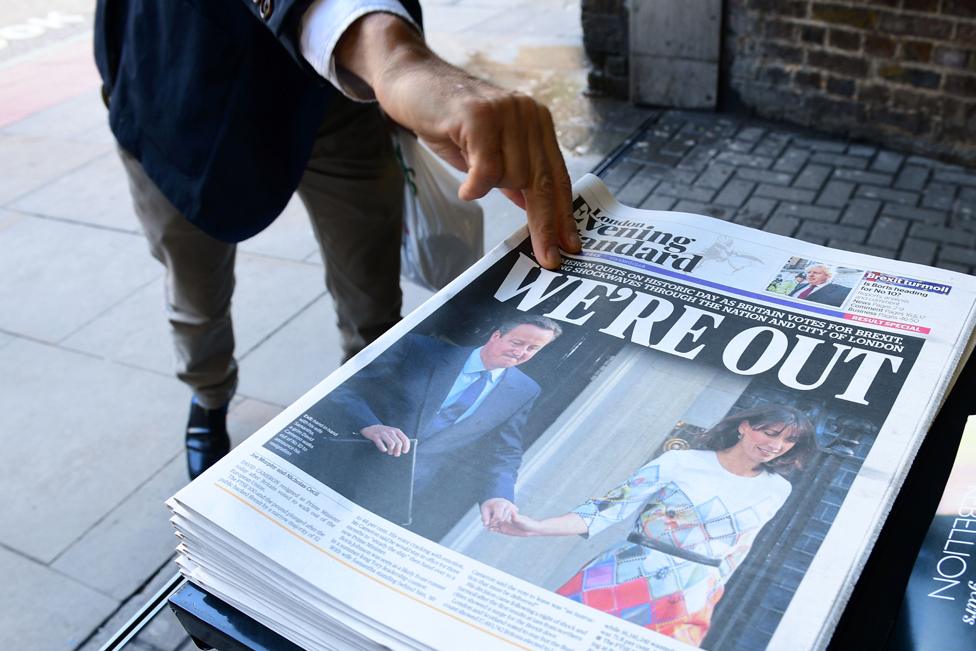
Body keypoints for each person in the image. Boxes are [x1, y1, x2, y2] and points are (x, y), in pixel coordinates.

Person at [94, 0, 580, 479]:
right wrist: (395, 58)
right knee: (195, 287)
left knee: (371, 293)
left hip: (329, 95)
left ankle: (368, 400)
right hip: (179, 81)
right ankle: (209, 395)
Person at [494, 405, 816, 647]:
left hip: (691, 593)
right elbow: (609, 508)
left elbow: (741, 548)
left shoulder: (777, 488)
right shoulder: (682, 461)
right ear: (744, 426)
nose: (776, 445)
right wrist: (536, 526)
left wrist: (711, 594)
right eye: (770, 433)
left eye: (788, 440)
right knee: (554, 639)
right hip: (623, 573)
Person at [324, 315, 562, 540]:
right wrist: (370, 424)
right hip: (346, 461)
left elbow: (503, 451)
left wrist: (498, 495)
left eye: (532, 349)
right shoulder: (420, 350)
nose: (520, 353)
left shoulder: (524, 390)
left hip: (399, 490)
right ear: (496, 335)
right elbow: (345, 386)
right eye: (517, 342)